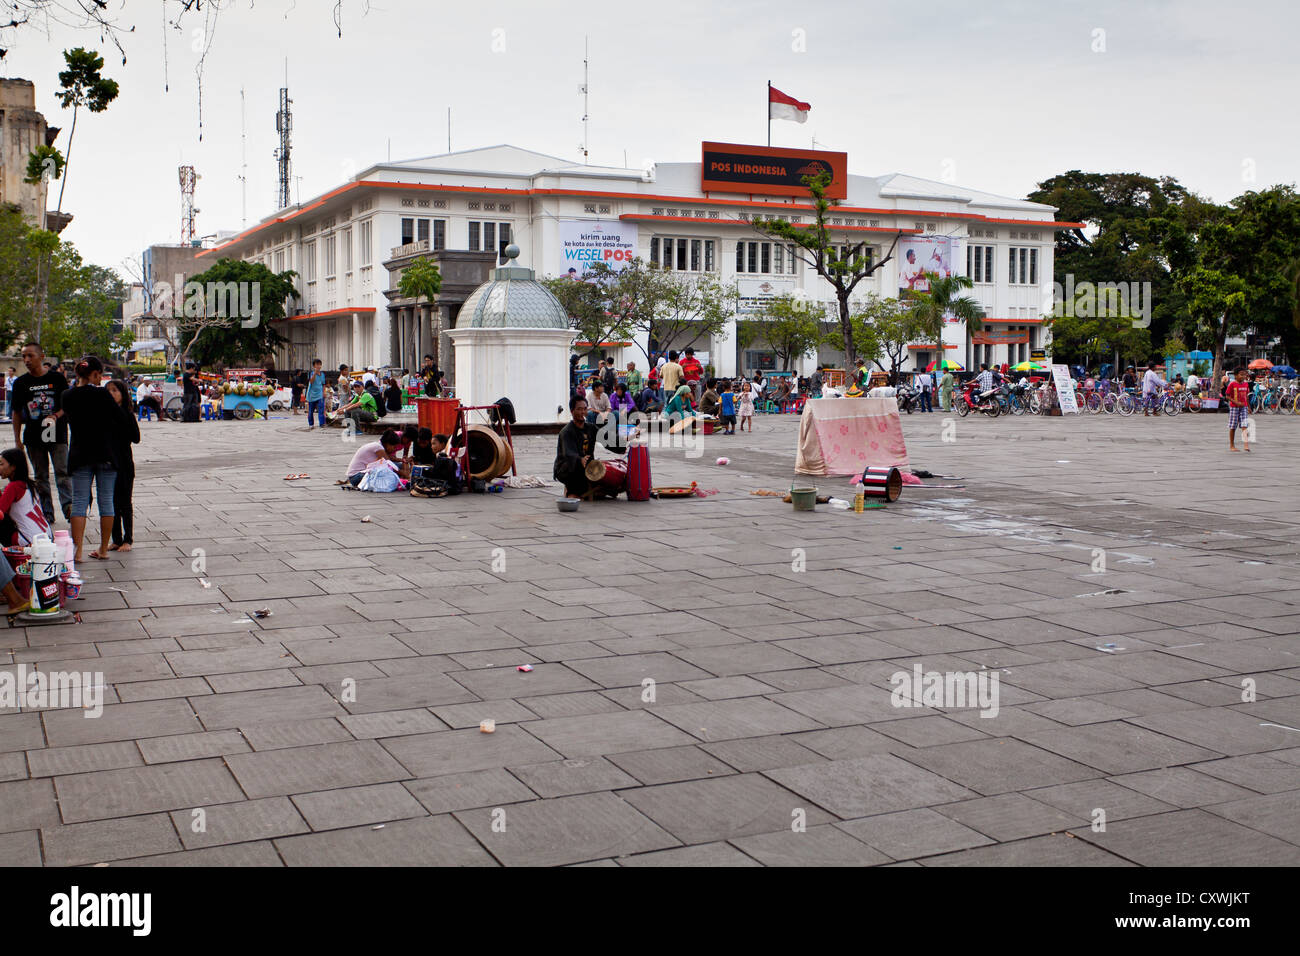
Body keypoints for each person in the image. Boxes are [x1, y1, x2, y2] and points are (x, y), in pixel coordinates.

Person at [61, 356, 125, 562]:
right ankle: (103, 549)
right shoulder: (103, 395)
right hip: (105, 453)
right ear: (95, 374)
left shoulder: (67, 396)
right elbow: (119, 418)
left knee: (79, 502)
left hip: (80, 453)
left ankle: (77, 551)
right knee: (106, 501)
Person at [11, 341, 72, 526]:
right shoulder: (21, 383)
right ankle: (47, 513)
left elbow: (66, 405)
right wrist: (17, 440)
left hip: (56, 432)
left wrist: (56, 415)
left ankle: (69, 509)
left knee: (62, 472)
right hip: (33, 435)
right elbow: (16, 412)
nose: (27, 360)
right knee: (40, 476)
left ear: (42, 357)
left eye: (30, 356)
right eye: (24, 356)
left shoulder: (57, 379)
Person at [104, 379, 141, 552]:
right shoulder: (103, 414)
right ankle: (116, 539)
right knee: (111, 503)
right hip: (109, 464)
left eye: (115, 390)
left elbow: (136, 437)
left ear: (122, 394)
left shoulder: (127, 413)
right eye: (108, 391)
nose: (111, 394)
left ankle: (128, 539)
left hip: (124, 463)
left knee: (124, 502)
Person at [0, 447, 50, 548]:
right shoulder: (30, 485)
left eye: (1, 464)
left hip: (28, 541)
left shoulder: (13, 487)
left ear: (13, 466)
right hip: (46, 537)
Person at [554, 396, 603, 499]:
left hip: (585, 466)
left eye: (585, 409)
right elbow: (568, 453)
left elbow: (606, 437)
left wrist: (621, 444)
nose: (583, 412)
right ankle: (570, 490)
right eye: (579, 409)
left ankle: (582, 489)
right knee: (573, 467)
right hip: (567, 468)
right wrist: (579, 459)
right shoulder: (566, 432)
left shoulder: (591, 428)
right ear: (572, 411)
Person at [1226, 367, 1251, 452]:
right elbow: (1227, 396)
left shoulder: (1246, 384)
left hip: (1243, 407)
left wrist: (1248, 407)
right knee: (1233, 426)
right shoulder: (1232, 384)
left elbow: (1246, 396)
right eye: (1241, 374)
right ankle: (1232, 445)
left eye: (1244, 374)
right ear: (1236, 375)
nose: (1243, 376)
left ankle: (1246, 445)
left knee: (1244, 425)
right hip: (1234, 407)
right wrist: (1236, 402)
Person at [305, 359, 326, 429]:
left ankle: (322, 423)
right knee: (311, 410)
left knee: (321, 409)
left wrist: (324, 392)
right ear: (314, 366)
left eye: (319, 364)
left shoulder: (322, 374)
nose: (318, 366)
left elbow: (323, 384)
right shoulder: (311, 373)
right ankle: (311, 424)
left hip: (320, 394)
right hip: (312, 394)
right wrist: (315, 373)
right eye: (317, 364)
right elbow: (311, 381)